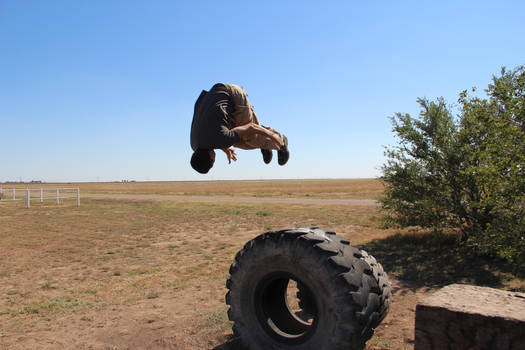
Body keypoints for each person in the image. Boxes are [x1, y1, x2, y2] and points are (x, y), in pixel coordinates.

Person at [190, 83, 289, 174]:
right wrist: (225, 149)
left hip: (233, 95)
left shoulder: (222, 138)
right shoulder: (195, 145)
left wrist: (272, 136)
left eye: (212, 163)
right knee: (236, 142)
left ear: (211, 158)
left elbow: (251, 127)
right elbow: (212, 137)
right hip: (213, 97)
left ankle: (281, 141)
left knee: (249, 136)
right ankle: (264, 144)